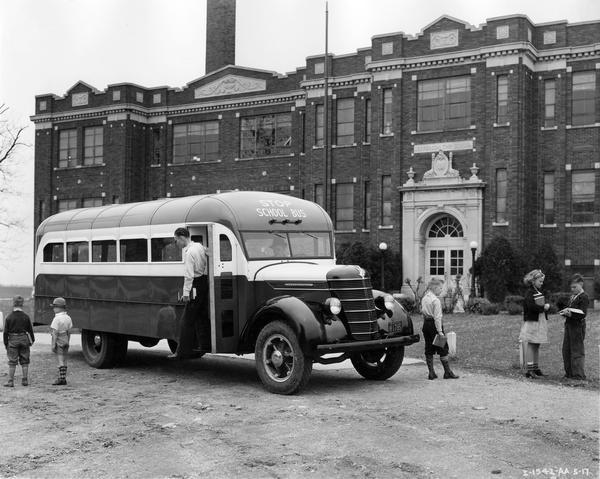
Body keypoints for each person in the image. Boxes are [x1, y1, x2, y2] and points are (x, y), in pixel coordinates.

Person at [168, 227, 209, 359]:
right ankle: (204, 345)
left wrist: (186, 293)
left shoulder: (189, 252)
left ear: (181, 237)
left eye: (176, 240)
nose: (176, 244)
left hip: (195, 285)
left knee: (186, 321)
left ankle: (182, 352)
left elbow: (189, 276)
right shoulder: (200, 247)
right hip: (203, 282)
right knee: (201, 316)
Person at [421, 278, 458, 380]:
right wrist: (440, 332)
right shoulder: (435, 300)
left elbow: (423, 311)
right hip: (434, 326)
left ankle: (431, 373)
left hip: (426, 325)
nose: (441, 290)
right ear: (435, 287)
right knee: (443, 347)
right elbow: (437, 318)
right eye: (440, 288)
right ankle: (447, 372)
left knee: (429, 347)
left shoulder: (424, 298)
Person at [520, 269, 550, 379]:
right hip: (533, 321)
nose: (541, 283)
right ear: (533, 281)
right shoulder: (530, 293)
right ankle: (529, 370)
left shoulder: (537, 292)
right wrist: (543, 307)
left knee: (537, 344)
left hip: (539, 320)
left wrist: (545, 308)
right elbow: (531, 306)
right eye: (540, 281)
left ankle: (536, 368)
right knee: (532, 344)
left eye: (542, 282)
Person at [560, 274, 589, 381]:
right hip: (569, 325)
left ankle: (578, 375)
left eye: (574, 287)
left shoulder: (584, 297)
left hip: (577, 326)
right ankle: (569, 373)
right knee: (566, 349)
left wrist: (571, 314)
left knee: (577, 350)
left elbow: (583, 313)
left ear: (581, 284)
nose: (572, 289)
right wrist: (565, 312)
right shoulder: (572, 297)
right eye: (571, 287)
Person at [3, 296, 34, 387]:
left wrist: (6, 344)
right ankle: (25, 380)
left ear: (13, 303)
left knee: (12, 361)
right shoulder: (26, 317)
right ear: (22, 304)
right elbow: (30, 330)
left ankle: (10, 381)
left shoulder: (9, 317)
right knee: (25, 360)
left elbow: (5, 332)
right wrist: (31, 341)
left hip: (13, 339)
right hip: (24, 339)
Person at [50, 297, 73, 385]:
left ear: (59, 308)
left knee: (60, 359)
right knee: (65, 358)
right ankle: (64, 377)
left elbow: (55, 333)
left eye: (54, 307)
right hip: (66, 339)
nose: (53, 309)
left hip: (59, 340)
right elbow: (69, 331)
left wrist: (53, 344)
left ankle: (61, 379)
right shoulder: (68, 318)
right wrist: (68, 341)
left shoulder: (56, 319)